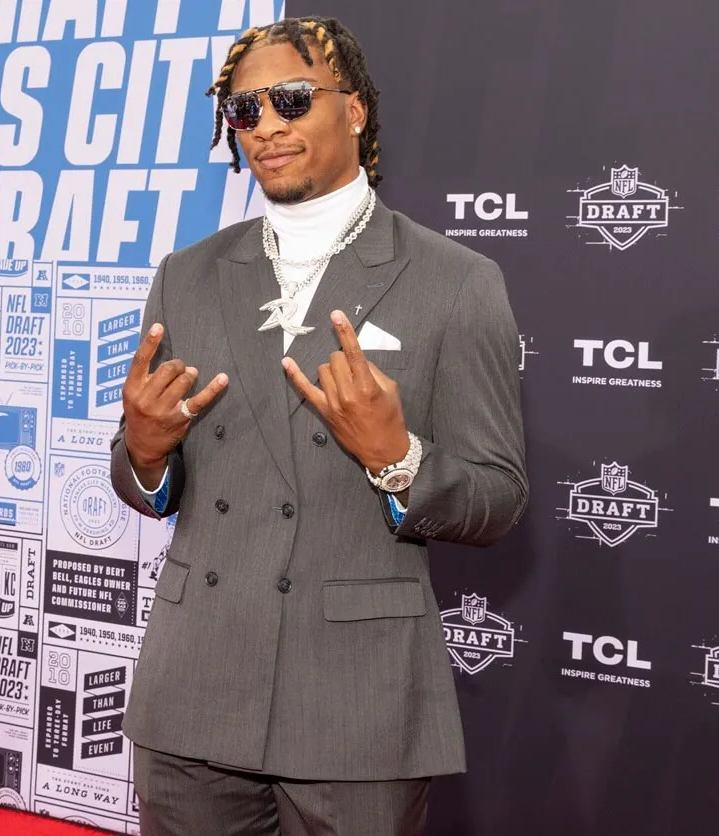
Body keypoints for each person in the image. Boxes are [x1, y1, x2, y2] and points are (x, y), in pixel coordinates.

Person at [109, 15, 528, 836]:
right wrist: (146, 455)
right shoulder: (186, 276)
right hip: (195, 690)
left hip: (354, 706)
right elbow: (144, 479)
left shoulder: (457, 283)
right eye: (244, 110)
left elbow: (500, 498)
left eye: (291, 100)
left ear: (356, 111)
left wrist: (399, 458)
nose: (267, 126)